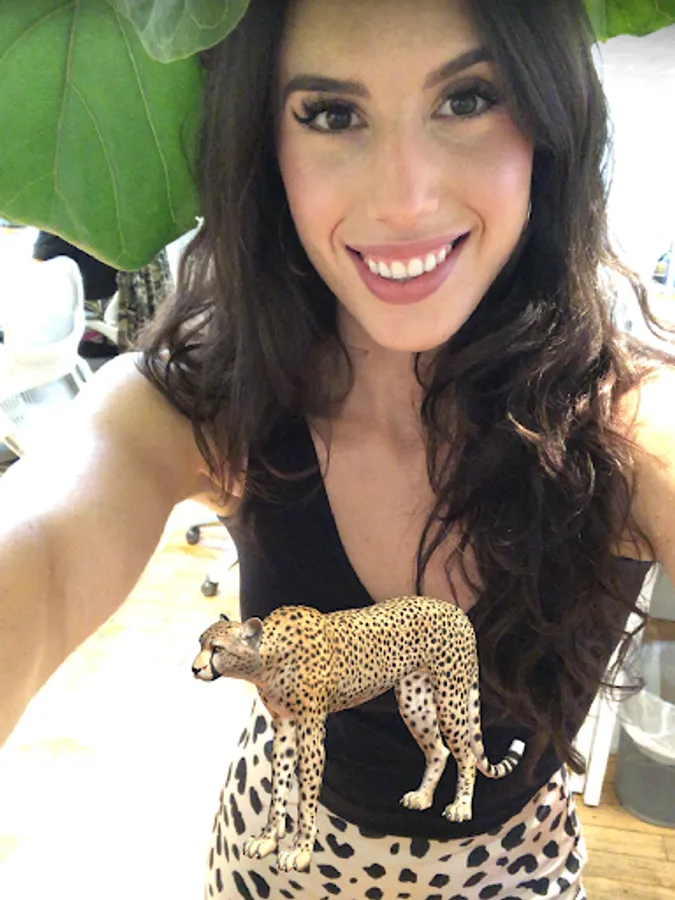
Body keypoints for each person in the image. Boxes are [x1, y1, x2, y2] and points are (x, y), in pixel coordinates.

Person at [1, 0, 675, 897]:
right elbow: (41, 554)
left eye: (468, 99)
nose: (404, 199)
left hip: (509, 873)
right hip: (272, 853)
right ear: (265, 147)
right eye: (330, 113)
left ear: (551, 123)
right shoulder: (211, 407)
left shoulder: (627, 429)